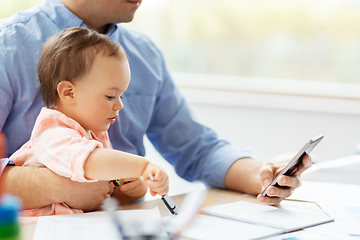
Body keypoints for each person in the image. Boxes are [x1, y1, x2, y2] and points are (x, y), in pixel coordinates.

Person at [0, 0, 311, 211]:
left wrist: (262, 176)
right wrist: (57, 187)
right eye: (110, 96)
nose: (117, 105)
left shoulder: (143, 55)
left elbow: (196, 148)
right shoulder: (8, 46)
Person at [8, 27, 169, 216]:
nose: (119, 106)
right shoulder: (53, 132)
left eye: (121, 97)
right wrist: (142, 167)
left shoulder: (93, 135)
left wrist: (130, 190)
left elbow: (101, 196)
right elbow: (88, 163)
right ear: (69, 93)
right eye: (110, 96)